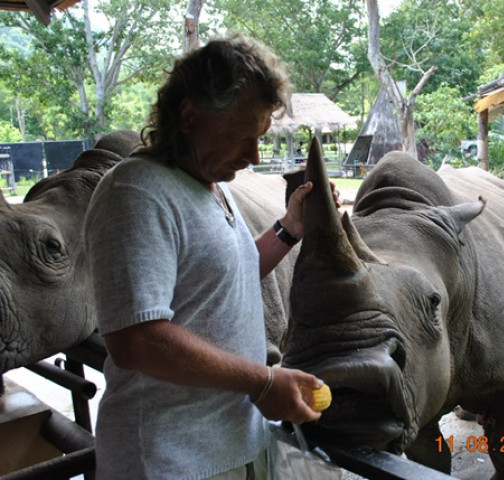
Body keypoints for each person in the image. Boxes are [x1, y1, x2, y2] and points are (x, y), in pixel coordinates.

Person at [84, 34, 338, 480]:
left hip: (232, 449)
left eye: (259, 137)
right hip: (169, 462)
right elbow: (135, 339)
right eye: (241, 136)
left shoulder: (210, 184)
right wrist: (261, 381)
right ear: (189, 116)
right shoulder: (136, 192)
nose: (254, 155)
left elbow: (226, 280)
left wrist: (289, 228)